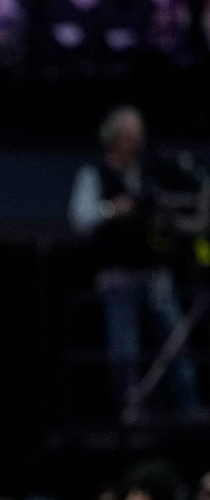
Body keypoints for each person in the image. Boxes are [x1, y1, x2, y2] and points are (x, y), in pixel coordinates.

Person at [68, 104, 199, 413]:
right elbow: (81, 218)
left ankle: (190, 408)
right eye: (127, 136)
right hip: (119, 278)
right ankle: (130, 413)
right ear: (112, 137)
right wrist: (113, 209)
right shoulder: (94, 173)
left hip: (155, 275)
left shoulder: (150, 172)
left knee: (176, 348)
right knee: (124, 352)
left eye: (137, 136)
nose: (133, 143)